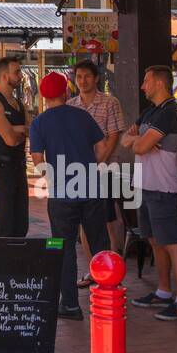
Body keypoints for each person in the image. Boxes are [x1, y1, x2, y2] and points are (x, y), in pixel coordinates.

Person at [30, 72, 111, 320]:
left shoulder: (39, 123)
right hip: (92, 189)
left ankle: (71, 305)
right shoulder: (82, 116)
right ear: (66, 92)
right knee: (99, 243)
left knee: (63, 249)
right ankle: (108, 297)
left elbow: (37, 160)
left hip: (62, 194)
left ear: (44, 96)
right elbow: (101, 146)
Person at [122, 65, 177, 321]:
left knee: (172, 242)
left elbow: (139, 146)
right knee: (154, 241)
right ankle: (163, 291)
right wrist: (138, 141)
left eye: (146, 81)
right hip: (145, 186)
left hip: (163, 188)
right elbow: (126, 140)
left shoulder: (169, 113)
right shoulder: (150, 112)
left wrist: (138, 142)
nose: (142, 86)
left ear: (160, 83)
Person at [68, 60, 126, 262]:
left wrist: (97, 163)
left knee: (108, 218)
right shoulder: (70, 105)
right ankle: (95, 269)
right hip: (79, 171)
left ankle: (112, 267)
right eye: (79, 77)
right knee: (84, 221)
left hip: (106, 169)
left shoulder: (110, 102)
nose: (82, 81)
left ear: (97, 78)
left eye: (87, 76)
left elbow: (114, 137)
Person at [0, 56, 29, 238]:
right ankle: (2, 264)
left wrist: (15, 130)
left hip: (20, 166)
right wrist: (17, 132)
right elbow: (11, 140)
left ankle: (18, 263)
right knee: (6, 222)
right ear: (4, 76)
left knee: (21, 222)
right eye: (17, 72)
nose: (21, 76)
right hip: (3, 168)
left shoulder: (20, 104)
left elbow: (29, 129)